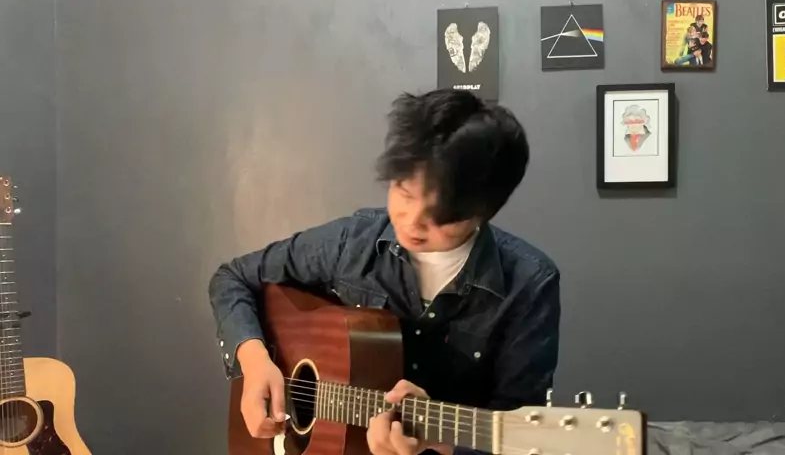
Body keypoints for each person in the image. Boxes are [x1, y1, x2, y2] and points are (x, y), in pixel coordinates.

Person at [208, 88, 561, 455]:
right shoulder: (353, 242)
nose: (412, 221)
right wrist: (254, 360)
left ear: (484, 213)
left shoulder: (529, 284)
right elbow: (233, 278)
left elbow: (522, 439)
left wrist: (439, 444)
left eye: (441, 216)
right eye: (404, 193)